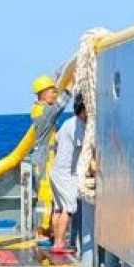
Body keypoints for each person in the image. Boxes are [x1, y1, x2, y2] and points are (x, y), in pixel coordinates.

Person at [47, 92, 86, 257]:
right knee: (68, 209)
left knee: (58, 208)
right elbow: (85, 148)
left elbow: (56, 139)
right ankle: (59, 243)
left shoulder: (67, 123)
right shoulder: (79, 126)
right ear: (84, 109)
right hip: (67, 174)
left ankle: (57, 240)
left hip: (55, 171)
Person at [28, 74, 65, 241]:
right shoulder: (43, 111)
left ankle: (45, 229)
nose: (54, 94)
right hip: (44, 158)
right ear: (41, 94)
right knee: (45, 195)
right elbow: (58, 108)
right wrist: (69, 87)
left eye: (55, 91)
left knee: (47, 195)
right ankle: (42, 231)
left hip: (46, 156)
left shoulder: (40, 109)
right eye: (51, 91)